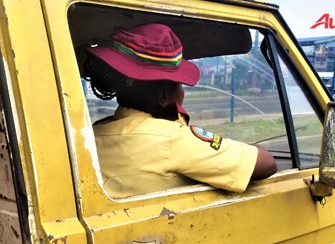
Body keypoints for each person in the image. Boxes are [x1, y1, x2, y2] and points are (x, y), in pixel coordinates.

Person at [85, 23, 277, 197]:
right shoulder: (171, 139)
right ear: (163, 96)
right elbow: (266, 163)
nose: (182, 92)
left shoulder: (93, 133)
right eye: (180, 85)